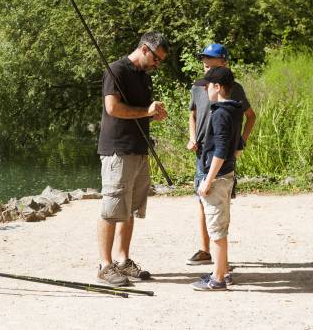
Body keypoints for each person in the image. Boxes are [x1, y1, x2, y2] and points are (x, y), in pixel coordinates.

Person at [96, 32, 169, 286]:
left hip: (139, 150)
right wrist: (144, 111)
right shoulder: (116, 70)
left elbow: (140, 112)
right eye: (157, 59)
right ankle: (105, 265)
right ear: (145, 49)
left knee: (130, 209)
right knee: (111, 208)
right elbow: (112, 108)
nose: (157, 65)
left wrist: (152, 114)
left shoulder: (143, 77)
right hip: (118, 150)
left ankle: (123, 260)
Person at [186, 44, 256, 272]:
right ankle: (206, 251)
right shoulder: (198, 87)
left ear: (223, 61)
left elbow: (250, 117)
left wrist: (240, 142)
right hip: (203, 152)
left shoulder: (232, 88)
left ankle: (220, 265)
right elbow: (193, 115)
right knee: (202, 199)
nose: (205, 62)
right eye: (204, 59)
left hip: (220, 153)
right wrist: (192, 137)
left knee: (218, 200)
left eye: (211, 59)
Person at [190, 66, 244, 291]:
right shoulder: (233, 110)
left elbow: (221, 150)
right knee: (218, 227)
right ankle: (219, 271)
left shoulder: (220, 113)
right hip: (226, 174)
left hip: (218, 178)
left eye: (208, 87)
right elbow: (237, 145)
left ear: (217, 87)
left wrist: (208, 180)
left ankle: (219, 279)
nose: (205, 91)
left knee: (217, 231)